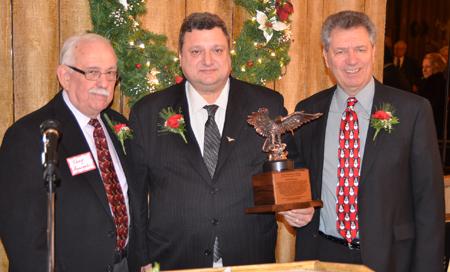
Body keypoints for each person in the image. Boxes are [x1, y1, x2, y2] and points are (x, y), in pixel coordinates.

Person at [129, 12, 304, 270]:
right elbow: (134, 193)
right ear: (180, 57)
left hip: (250, 256)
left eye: (217, 50)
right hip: (173, 259)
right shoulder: (147, 112)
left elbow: (292, 163)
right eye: (196, 51)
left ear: (228, 54)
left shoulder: (267, 104)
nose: (208, 60)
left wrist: (299, 205)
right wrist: (141, 258)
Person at [288, 10, 445, 271]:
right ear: (326, 56)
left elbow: (429, 201)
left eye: (360, 48)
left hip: (391, 258)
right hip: (321, 254)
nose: (351, 60)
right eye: (340, 51)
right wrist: (293, 208)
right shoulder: (308, 111)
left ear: (373, 51)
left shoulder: (412, 110)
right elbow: (299, 176)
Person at [0, 33, 141, 272]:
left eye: (111, 73)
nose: (104, 83)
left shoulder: (118, 124)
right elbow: (22, 238)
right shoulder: (31, 136)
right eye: (93, 72)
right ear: (65, 76)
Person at [418, 52, 447, 139]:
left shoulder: (436, 84)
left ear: (437, 68)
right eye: (423, 67)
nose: (424, 69)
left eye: (428, 66)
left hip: (431, 127)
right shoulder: (428, 83)